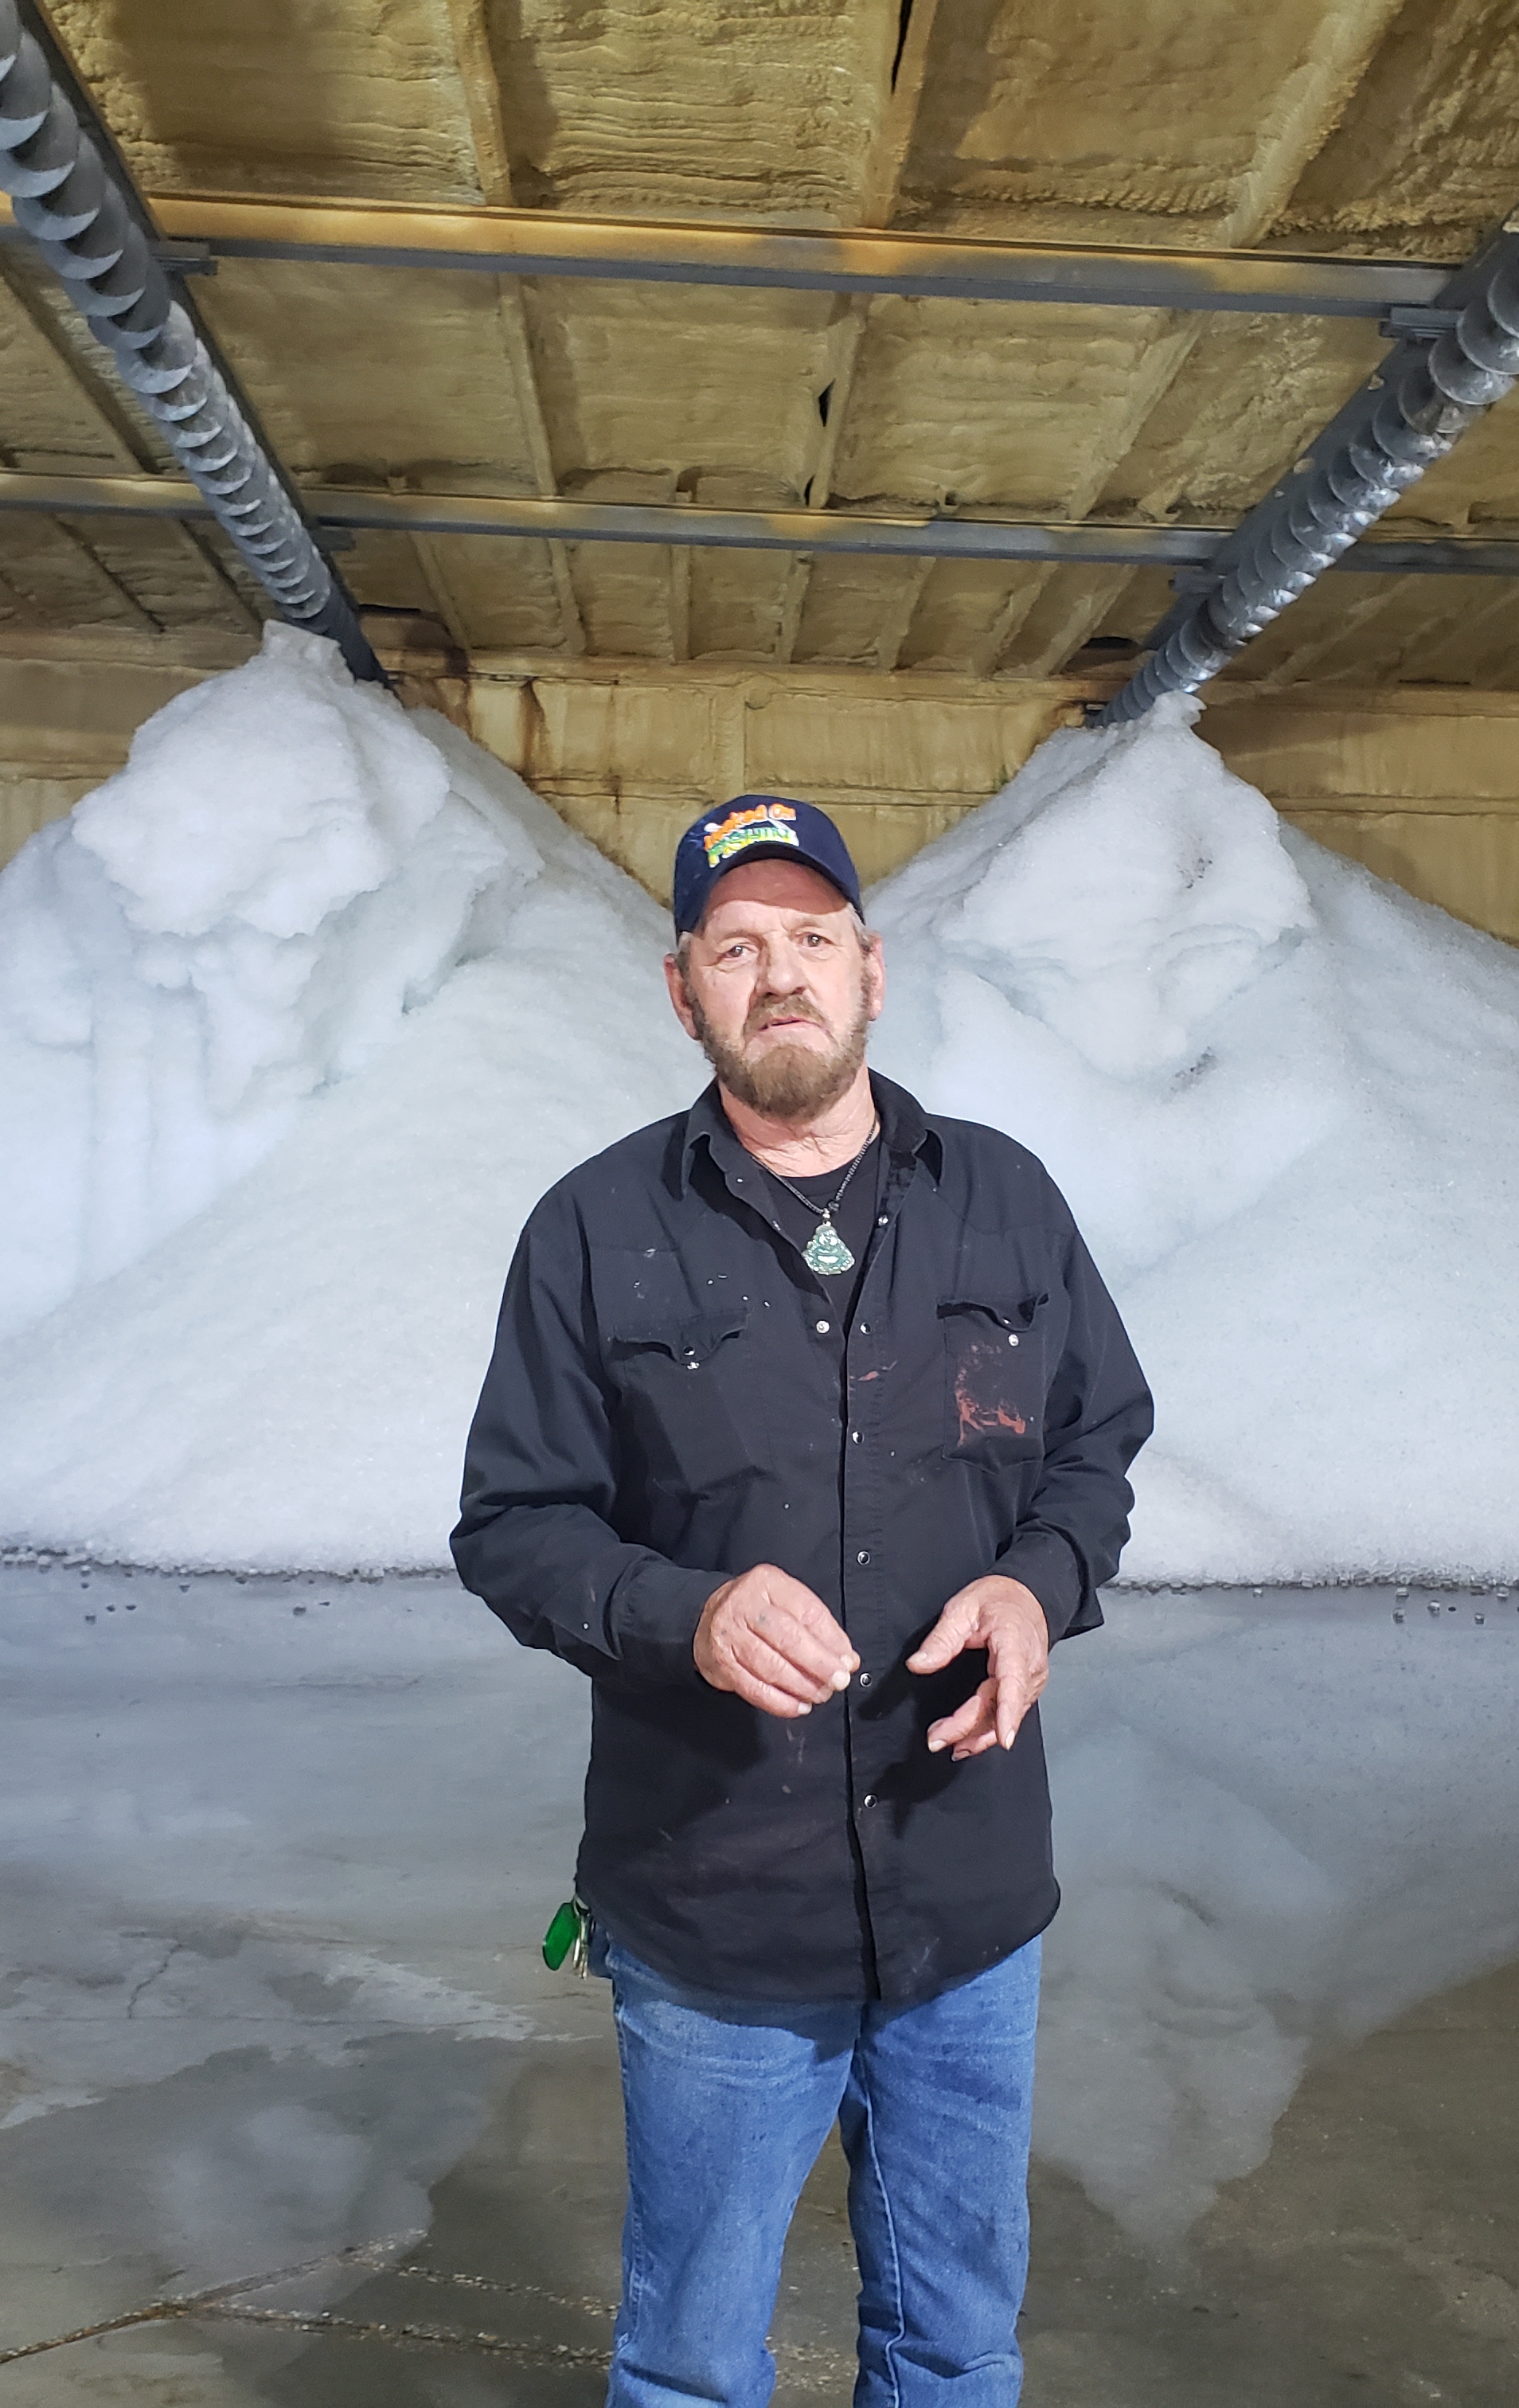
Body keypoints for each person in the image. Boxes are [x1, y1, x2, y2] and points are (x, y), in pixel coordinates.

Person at [452, 793, 1153, 2407]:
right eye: (738, 948)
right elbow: (516, 1526)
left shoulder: (1003, 1202)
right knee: (693, 2361)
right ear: (683, 985)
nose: (782, 977)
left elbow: (1095, 1447)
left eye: (812, 942)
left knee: (955, 2344)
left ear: (873, 970)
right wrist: (677, 1612)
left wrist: (1039, 1589)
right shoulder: (596, 1230)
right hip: (713, 1912)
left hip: (965, 1899)